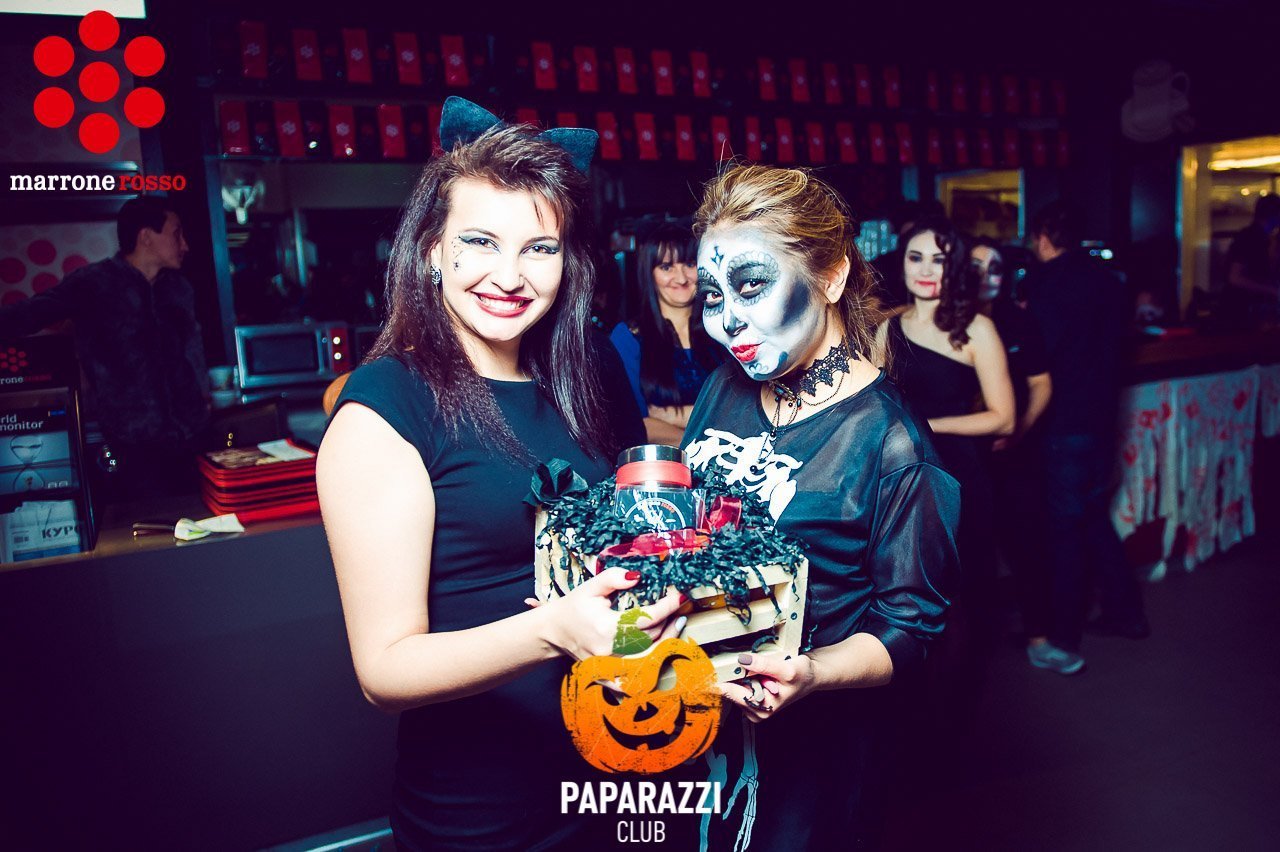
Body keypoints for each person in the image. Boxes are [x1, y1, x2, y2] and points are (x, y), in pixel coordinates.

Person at [317, 99, 682, 851]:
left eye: (539, 248)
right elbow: (383, 671)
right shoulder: (386, 410)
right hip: (485, 816)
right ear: (432, 249)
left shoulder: (586, 375)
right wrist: (551, 630)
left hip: (624, 781)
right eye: (480, 241)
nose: (509, 276)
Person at [682, 164, 959, 850]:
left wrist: (814, 673)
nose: (728, 320)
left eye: (751, 285)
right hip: (697, 721)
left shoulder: (893, 444)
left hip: (812, 759)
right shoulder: (723, 387)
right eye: (713, 295)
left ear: (831, 277)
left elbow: (913, 629)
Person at [0, 196, 210, 497]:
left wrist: (204, 398)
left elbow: (193, 348)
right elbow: (30, 314)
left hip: (193, 434)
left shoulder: (178, 288)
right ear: (146, 237)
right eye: (176, 234)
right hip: (132, 444)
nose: (185, 245)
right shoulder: (94, 283)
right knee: (144, 518)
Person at [1024, 201, 1148, 676]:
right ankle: (1127, 613)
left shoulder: (1044, 285)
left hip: (1063, 421)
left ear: (1041, 236)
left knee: (1065, 531)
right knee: (1092, 517)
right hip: (1102, 417)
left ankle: (1063, 635)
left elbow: (1039, 358)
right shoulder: (1109, 281)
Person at [882, 217, 1015, 651]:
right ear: (902, 263)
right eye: (915, 257)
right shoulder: (887, 327)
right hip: (904, 475)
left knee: (965, 592)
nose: (925, 269)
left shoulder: (977, 328)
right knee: (908, 589)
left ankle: (965, 682)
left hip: (959, 474)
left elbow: (1004, 418)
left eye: (938, 260)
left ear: (953, 267)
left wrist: (927, 425)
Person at [971, 239, 1058, 670]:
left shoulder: (1018, 321)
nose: (986, 276)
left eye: (995, 268)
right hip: (961, 459)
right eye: (976, 266)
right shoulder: (945, 321)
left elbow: (1042, 384)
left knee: (1026, 545)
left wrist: (1018, 429)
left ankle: (1039, 637)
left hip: (1014, 456)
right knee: (968, 553)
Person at [610, 217, 725, 445]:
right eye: (666, 267)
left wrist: (671, 416)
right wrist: (700, 446)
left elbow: (746, 411)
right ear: (649, 273)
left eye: (689, 264)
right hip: (665, 463)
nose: (681, 278)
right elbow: (634, 423)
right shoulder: (627, 337)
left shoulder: (723, 329)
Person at [1222, 193, 1280, 325]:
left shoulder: (1263, 238)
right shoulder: (1249, 237)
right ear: (1273, 215)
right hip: (1239, 310)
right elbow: (1234, 278)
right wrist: (1273, 290)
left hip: (1247, 310)